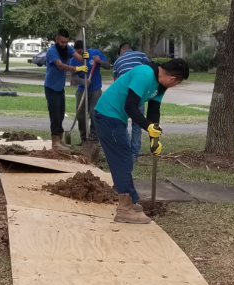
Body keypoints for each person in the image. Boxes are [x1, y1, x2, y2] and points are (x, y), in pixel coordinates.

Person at [94, 58, 189, 224]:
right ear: (173, 79)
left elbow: (154, 111)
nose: (175, 86)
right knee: (122, 161)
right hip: (107, 115)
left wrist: (154, 139)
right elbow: (130, 106)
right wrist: (147, 126)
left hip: (117, 118)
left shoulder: (161, 85)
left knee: (125, 160)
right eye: (177, 83)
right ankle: (124, 209)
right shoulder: (144, 74)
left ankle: (129, 202)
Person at [44, 29, 89, 152]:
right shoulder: (52, 51)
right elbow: (61, 66)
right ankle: (55, 143)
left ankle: (60, 140)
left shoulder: (67, 48)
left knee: (61, 113)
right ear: (56, 39)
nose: (64, 44)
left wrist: (84, 56)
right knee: (55, 115)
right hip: (51, 87)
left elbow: (78, 57)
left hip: (59, 87)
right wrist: (78, 68)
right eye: (62, 42)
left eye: (66, 42)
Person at [69, 40, 110, 148]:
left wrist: (99, 61)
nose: (78, 54)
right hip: (82, 90)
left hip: (95, 89)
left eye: (80, 52)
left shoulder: (95, 53)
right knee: (81, 115)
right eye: (77, 52)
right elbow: (73, 77)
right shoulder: (74, 59)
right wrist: (83, 81)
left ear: (85, 49)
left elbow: (108, 65)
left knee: (94, 113)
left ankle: (94, 139)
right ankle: (83, 139)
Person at [113, 43, 150, 162]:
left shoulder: (117, 61)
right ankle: (134, 154)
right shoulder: (142, 56)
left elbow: (116, 82)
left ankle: (127, 151)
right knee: (137, 123)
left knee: (122, 122)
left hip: (124, 93)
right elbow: (149, 72)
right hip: (139, 92)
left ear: (122, 51)